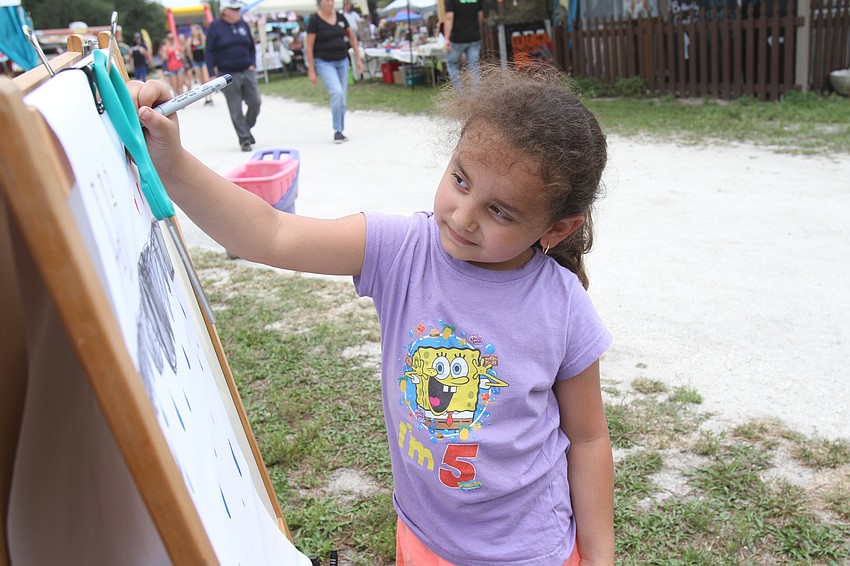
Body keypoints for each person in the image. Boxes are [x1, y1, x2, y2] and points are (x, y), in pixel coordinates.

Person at [129, 62, 614, 566]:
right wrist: (173, 162)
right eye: (461, 180)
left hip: (529, 551)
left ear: (556, 229)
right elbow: (270, 233)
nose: (463, 216)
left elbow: (589, 437)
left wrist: (601, 560)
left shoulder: (563, 306)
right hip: (425, 538)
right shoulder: (401, 249)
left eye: (500, 211)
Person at [206, 0, 262, 152]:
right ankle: (244, 139)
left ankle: (246, 128)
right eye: (234, 9)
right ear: (225, 11)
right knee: (235, 108)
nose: (238, 11)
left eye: (238, 9)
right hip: (227, 73)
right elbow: (209, 51)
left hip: (246, 69)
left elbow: (251, 46)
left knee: (255, 103)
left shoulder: (243, 24)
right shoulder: (215, 27)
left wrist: (253, 63)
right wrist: (211, 73)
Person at [306, 0, 364, 143]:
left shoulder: (340, 17)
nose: (330, 3)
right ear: (320, 3)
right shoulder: (315, 21)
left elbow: (352, 38)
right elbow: (309, 46)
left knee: (342, 99)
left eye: (332, 0)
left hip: (342, 61)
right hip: (324, 62)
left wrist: (359, 59)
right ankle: (337, 129)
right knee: (336, 92)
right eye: (327, 1)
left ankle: (340, 130)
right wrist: (311, 69)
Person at [443, 0, 484, 91]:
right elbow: (480, 15)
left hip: (457, 39)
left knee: (452, 64)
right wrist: (475, 29)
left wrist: (446, 38)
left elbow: (449, 16)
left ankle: (461, 96)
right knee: (474, 67)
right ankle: (477, 97)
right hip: (474, 37)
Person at [189, 24, 213, 104]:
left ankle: (210, 97)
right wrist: (191, 59)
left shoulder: (202, 39)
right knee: (201, 80)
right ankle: (206, 98)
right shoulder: (190, 40)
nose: (193, 32)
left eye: (194, 30)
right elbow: (189, 51)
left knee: (206, 79)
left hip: (203, 61)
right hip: (196, 61)